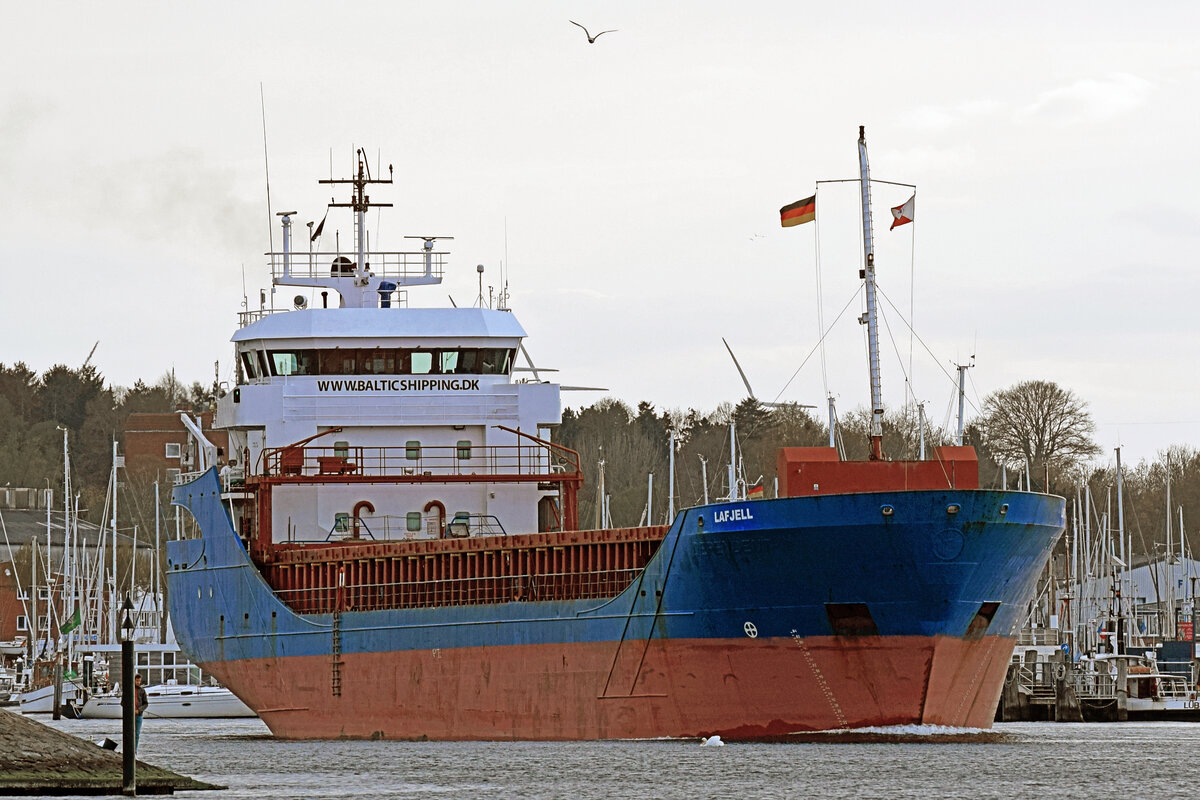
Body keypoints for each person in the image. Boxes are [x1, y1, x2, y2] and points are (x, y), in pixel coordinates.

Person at [133, 673, 149, 752]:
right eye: (137, 681)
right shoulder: (129, 690)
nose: (138, 682)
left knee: (137, 734)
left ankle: (135, 750)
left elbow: (146, 704)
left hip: (139, 715)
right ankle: (129, 750)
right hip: (130, 716)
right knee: (130, 733)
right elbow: (122, 703)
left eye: (139, 681)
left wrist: (139, 710)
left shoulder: (142, 691)